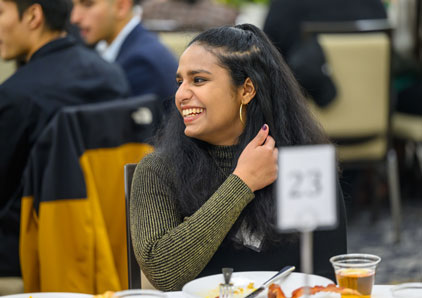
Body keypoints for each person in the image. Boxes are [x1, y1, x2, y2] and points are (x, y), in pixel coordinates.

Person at [130, 24, 347, 291]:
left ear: (246, 90)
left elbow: (325, 277)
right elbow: (163, 272)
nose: (181, 95)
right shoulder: (158, 170)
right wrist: (242, 182)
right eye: (180, 82)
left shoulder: (301, 166)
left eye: (198, 80)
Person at [0, 0, 129, 280]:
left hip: (27, 258)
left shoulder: (15, 96)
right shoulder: (112, 75)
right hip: (106, 245)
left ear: (33, 16)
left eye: (0, 12)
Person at [263, 0, 387, 107]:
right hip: (375, 121)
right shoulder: (373, 4)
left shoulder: (284, 5)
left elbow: (266, 58)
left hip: (305, 125)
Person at [71, 0, 178, 102]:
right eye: (73, 6)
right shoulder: (121, 50)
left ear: (121, 7)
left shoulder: (142, 64)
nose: (75, 18)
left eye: (88, 4)